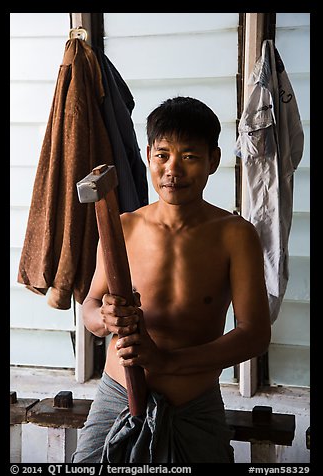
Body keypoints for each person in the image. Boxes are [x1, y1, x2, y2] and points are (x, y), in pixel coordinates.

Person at [72, 96, 271, 463]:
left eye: (189, 156)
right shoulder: (124, 228)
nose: (172, 170)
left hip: (193, 403)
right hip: (117, 393)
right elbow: (90, 308)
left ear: (213, 160)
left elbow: (254, 335)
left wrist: (166, 362)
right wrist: (106, 318)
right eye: (163, 155)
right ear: (148, 155)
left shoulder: (235, 235)